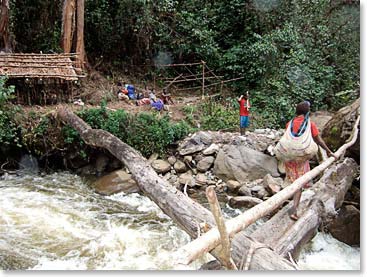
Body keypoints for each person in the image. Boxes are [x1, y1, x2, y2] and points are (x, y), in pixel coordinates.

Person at [285, 101, 336, 221]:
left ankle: (289, 204)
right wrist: (329, 151)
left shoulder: (289, 123)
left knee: (294, 182)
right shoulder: (310, 124)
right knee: (299, 184)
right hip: (301, 158)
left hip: (289, 157)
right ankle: (294, 211)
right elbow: (318, 140)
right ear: (307, 112)